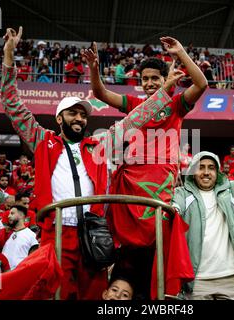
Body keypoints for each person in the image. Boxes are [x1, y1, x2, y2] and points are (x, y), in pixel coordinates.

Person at [1, 27, 178, 300]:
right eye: (73, 113)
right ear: (59, 118)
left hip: (93, 236)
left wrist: (165, 91)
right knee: (54, 294)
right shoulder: (41, 141)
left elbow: (136, 118)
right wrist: (9, 58)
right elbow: (13, 105)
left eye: (83, 116)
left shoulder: (99, 145)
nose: (79, 119)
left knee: (95, 296)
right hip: (56, 233)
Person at [85, 36, 207, 298]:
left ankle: (160, 295)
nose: (150, 83)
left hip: (160, 178)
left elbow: (202, 83)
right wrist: (94, 68)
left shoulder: (177, 105)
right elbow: (100, 93)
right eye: (145, 79)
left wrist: (181, 52)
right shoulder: (136, 105)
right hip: (130, 176)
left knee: (155, 242)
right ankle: (118, 292)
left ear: (166, 80)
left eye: (155, 78)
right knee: (126, 245)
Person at [171, 127, 234, 300]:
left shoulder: (232, 190)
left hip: (231, 278)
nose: (206, 172)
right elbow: (174, 208)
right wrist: (174, 209)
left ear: (218, 172)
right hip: (196, 279)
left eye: (211, 168)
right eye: (201, 168)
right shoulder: (182, 193)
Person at [0, 205, 39, 270]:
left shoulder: (31, 235)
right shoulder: (7, 234)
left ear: (22, 216)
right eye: (9, 213)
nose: (9, 216)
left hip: (20, 273)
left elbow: (34, 258)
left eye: (12, 213)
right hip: (4, 274)